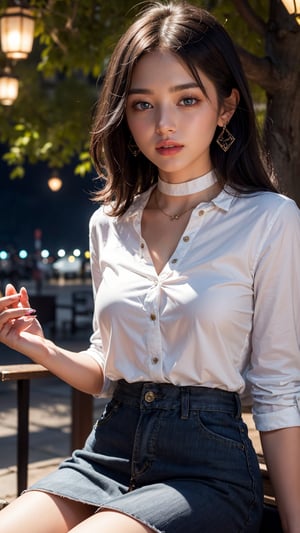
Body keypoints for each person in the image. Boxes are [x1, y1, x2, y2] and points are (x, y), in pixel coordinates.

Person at [0, 2, 299, 532]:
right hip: (109, 449)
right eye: (143, 105)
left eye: (187, 99)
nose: (164, 124)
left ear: (226, 107)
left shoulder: (268, 219)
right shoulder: (108, 225)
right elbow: (104, 370)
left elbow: (277, 390)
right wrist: (38, 347)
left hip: (208, 471)